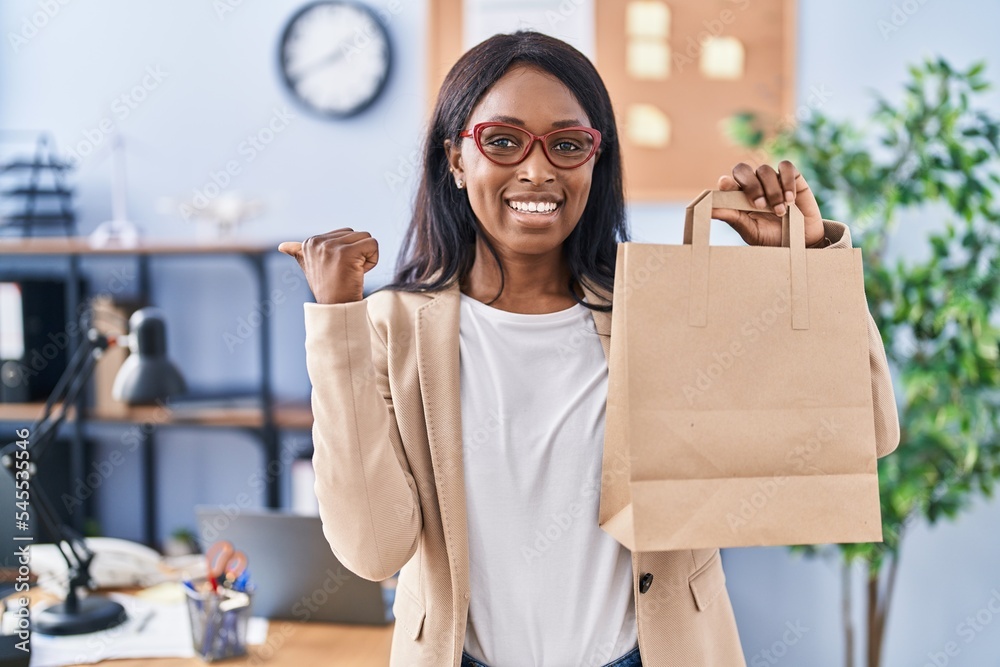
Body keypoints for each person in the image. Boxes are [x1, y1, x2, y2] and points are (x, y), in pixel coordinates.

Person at [279, 31, 899, 667]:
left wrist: (806, 267)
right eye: (503, 140)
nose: (538, 168)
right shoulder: (389, 328)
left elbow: (864, 435)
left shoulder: (663, 310)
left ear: (595, 162)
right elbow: (373, 550)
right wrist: (338, 324)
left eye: (568, 145)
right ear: (457, 160)